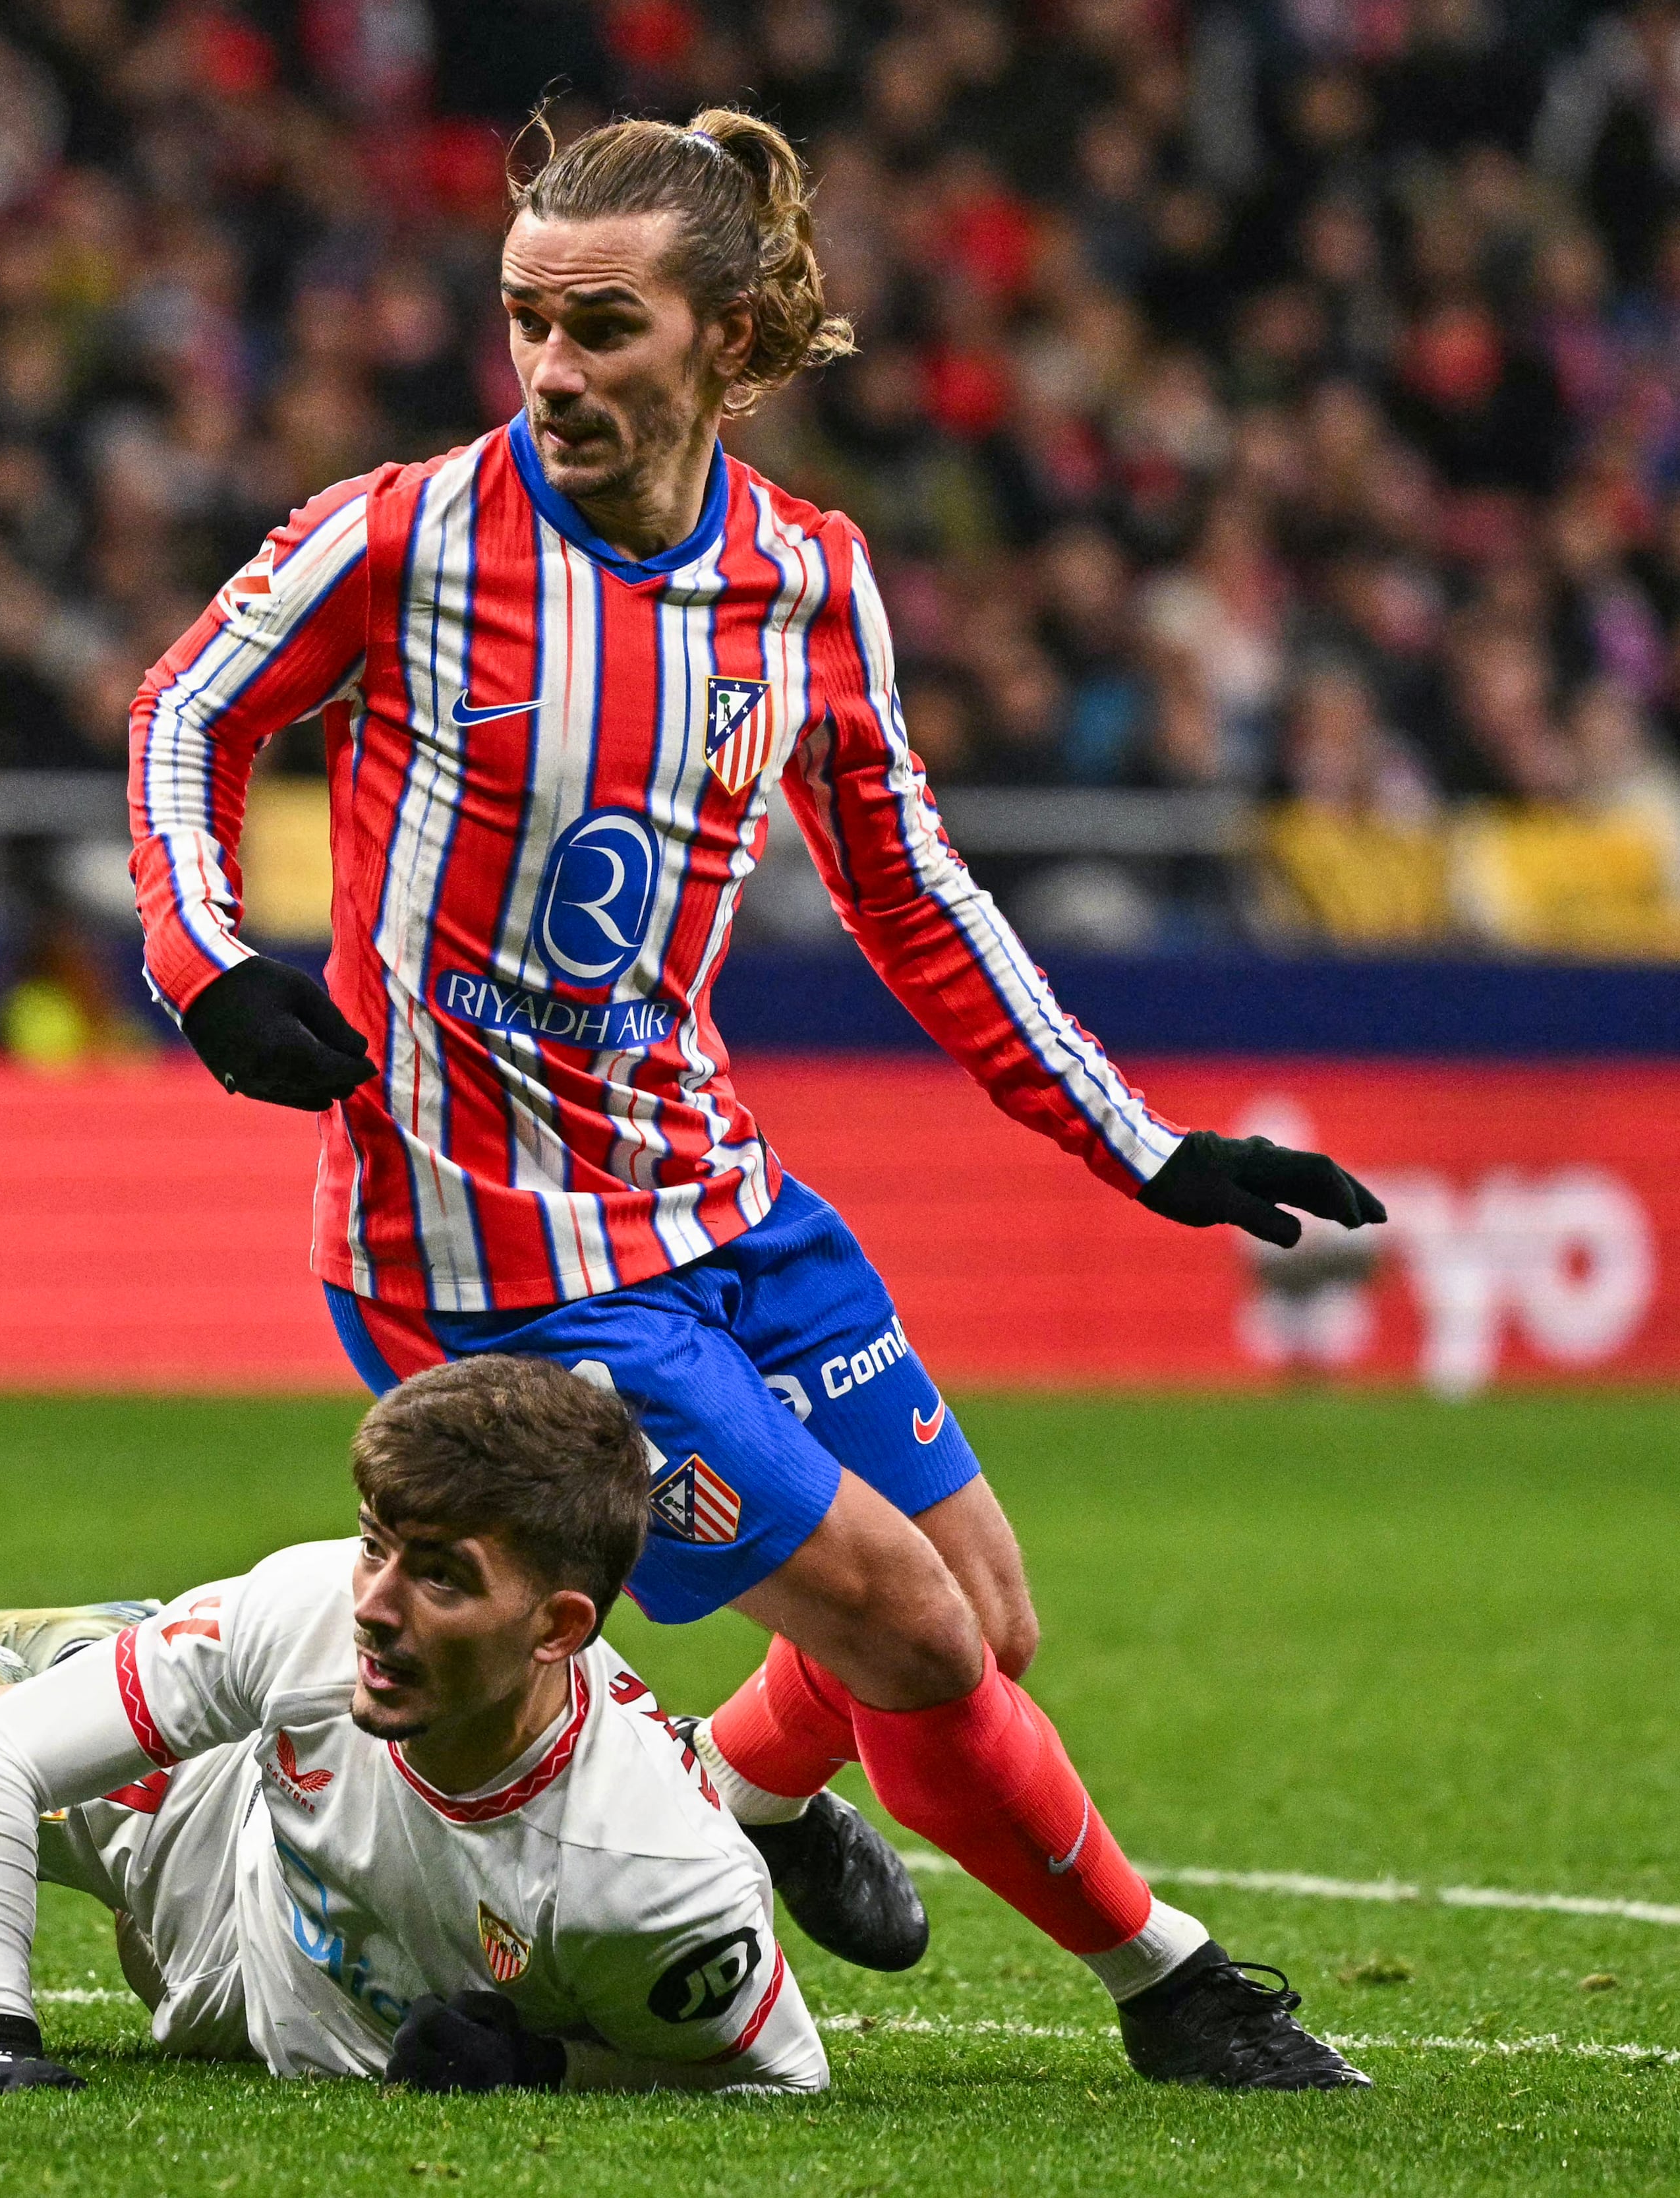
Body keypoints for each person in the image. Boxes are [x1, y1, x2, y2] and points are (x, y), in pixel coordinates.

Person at [127, 108, 1385, 2092]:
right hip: (498, 1266)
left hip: (717, 1202)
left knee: (981, 1615)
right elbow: (187, 707)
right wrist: (207, 965)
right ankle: (1174, 1980)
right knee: (908, 1626)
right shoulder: (406, 531)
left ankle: (731, 1786)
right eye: (526, 320)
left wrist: (1146, 1141)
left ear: (722, 339)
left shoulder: (807, 578)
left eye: (602, 326)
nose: (551, 368)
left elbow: (911, 887)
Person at [0, 1356, 829, 2097]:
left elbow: (778, 2076)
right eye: (374, 1542)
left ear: (558, 1627)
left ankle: (91, 1658)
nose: (372, 1604)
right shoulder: (317, 1610)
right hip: (220, 1817)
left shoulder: (658, 1883)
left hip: (254, 1988)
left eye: (438, 1577)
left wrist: (547, 2066)